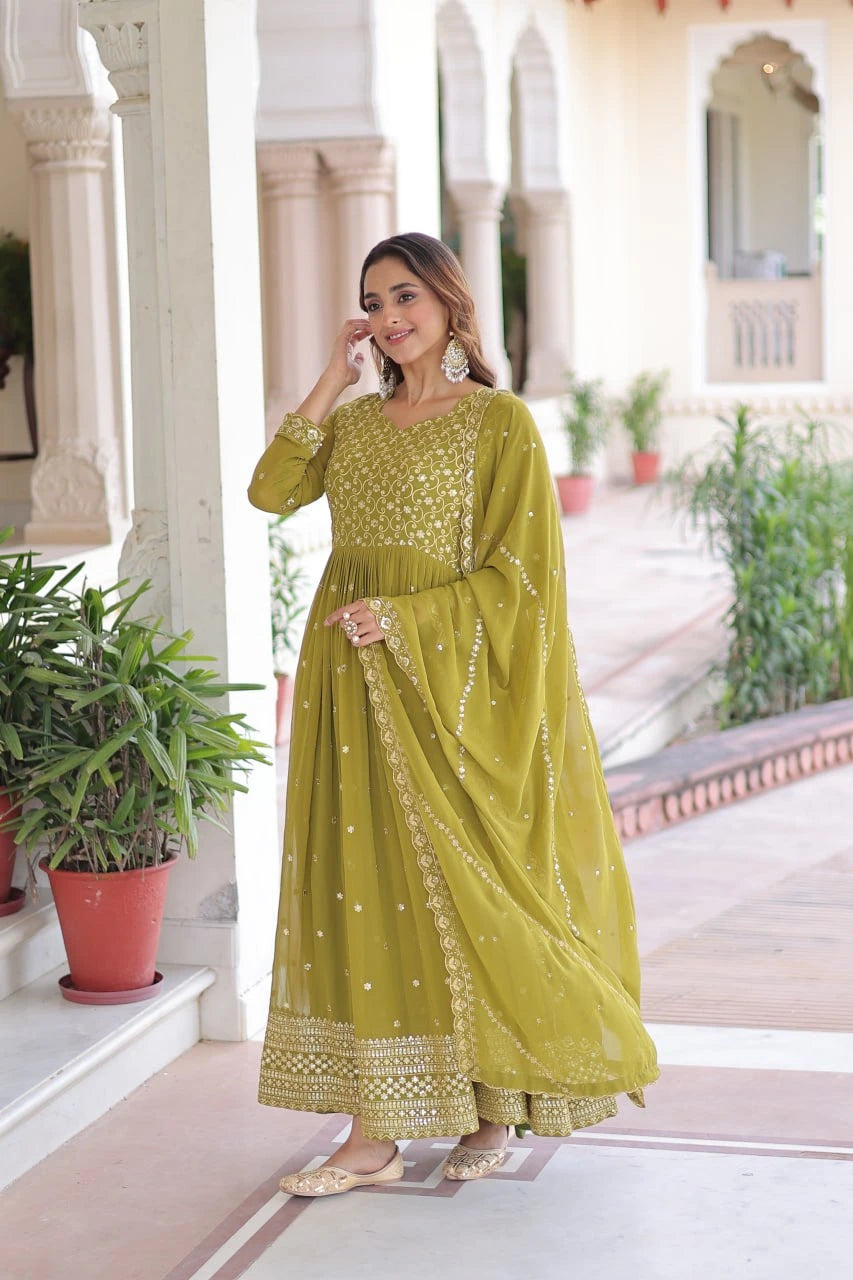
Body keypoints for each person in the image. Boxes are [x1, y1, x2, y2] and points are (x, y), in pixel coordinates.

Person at [247, 232, 659, 1197]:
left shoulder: (499, 423)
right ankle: (375, 1130)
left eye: (404, 298)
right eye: (373, 304)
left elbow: (521, 583)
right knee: (369, 891)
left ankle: (486, 1102)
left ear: (445, 300)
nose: (391, 319)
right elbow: (271, 490)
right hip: (352, 683)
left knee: (466, 893)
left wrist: (404, 617)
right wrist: (329, 376)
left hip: (450, 690)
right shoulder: (350, 425)